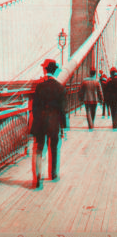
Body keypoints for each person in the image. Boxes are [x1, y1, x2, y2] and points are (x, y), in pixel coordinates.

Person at [30, 59, 67, 189]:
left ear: (45, 70)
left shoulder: (39, 87)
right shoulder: (60, 88)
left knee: (39, 149)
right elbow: (62, 110)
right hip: (54, 122)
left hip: (40, 121)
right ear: (56, 72)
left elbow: (34, 108)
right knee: (54, 149)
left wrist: (37, 121)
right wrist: (63, 127)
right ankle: (53, 174)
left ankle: (38, 178)